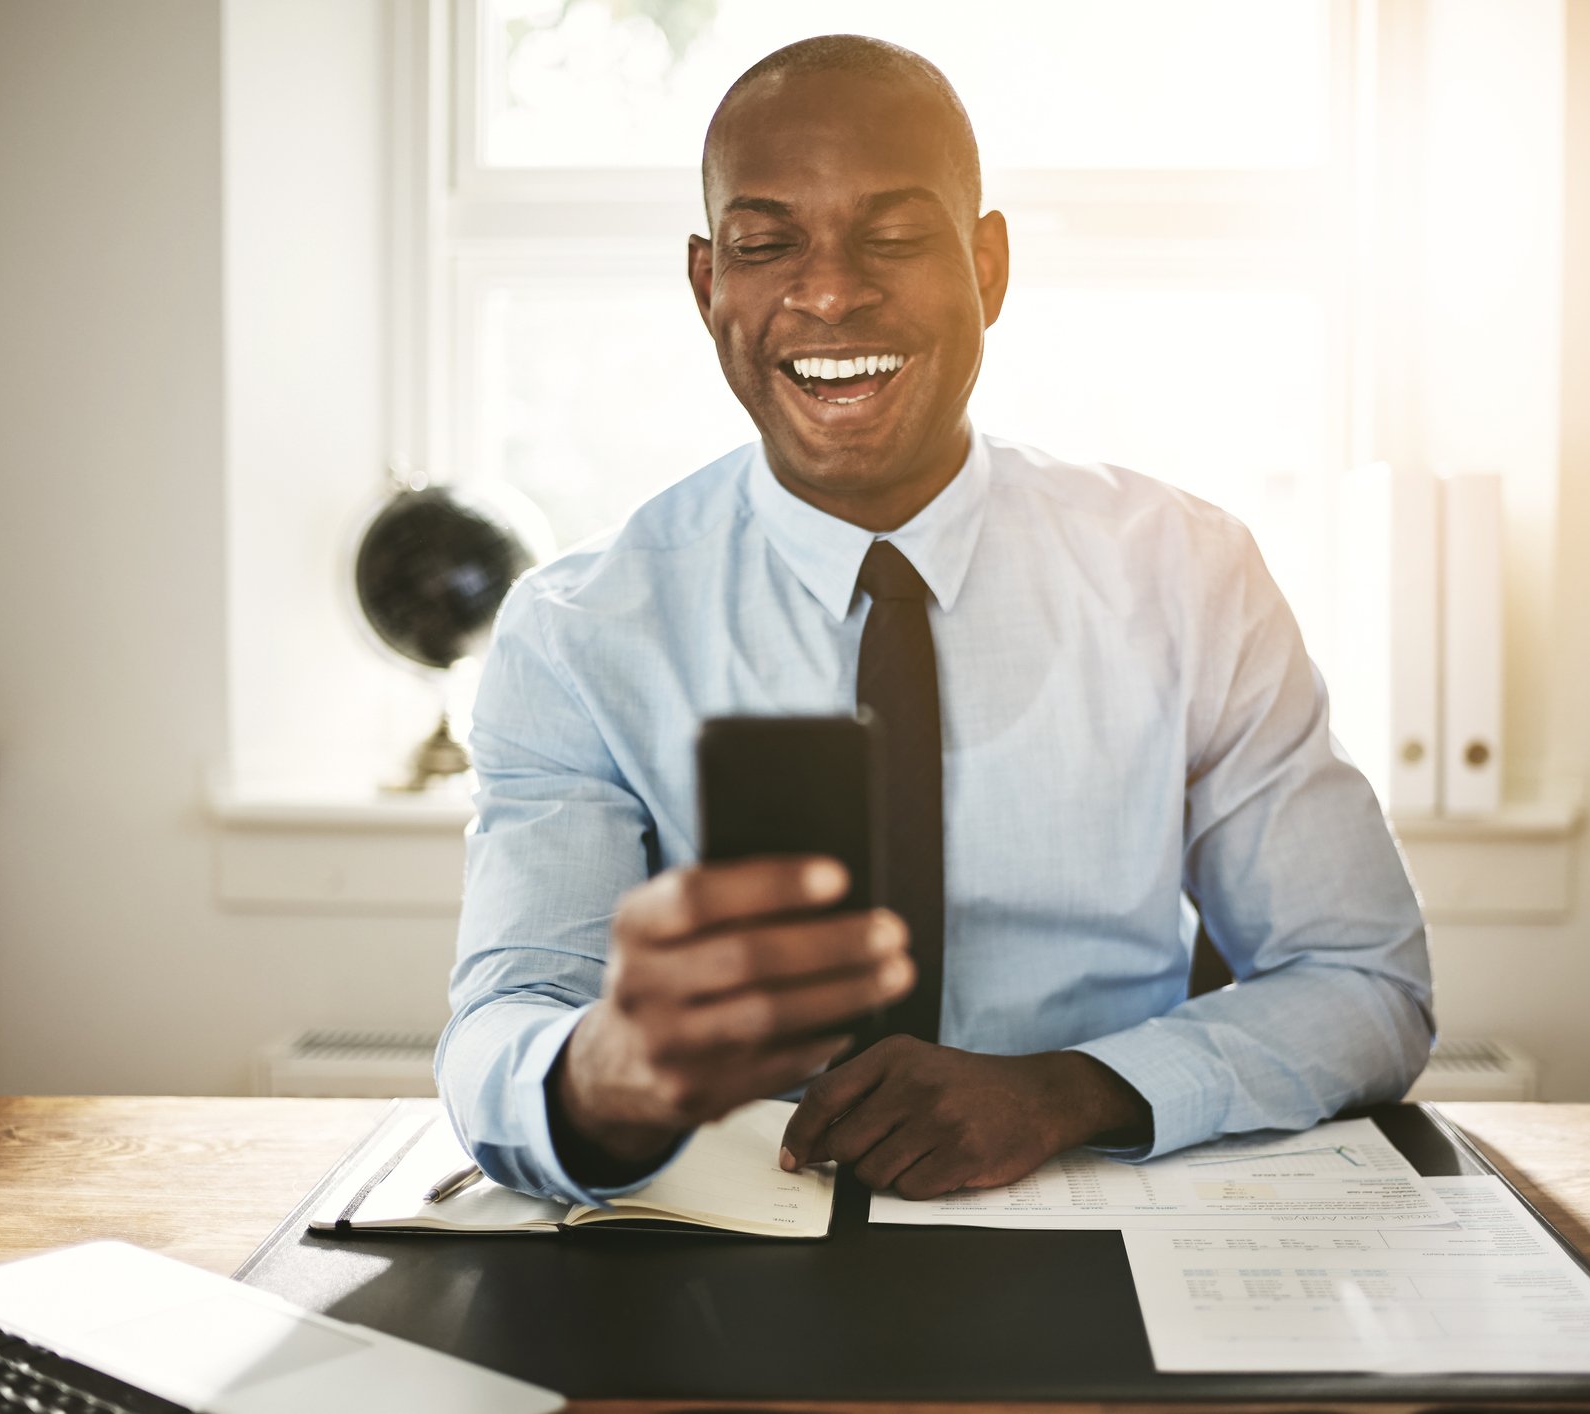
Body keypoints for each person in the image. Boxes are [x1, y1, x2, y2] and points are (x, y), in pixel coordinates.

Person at [436, 34, 1433, 1207]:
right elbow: (500, 1029)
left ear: (988, 265)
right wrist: (608, 1068)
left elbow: (1366, 981)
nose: (827, 291)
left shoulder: (1187, 574)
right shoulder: (577, 630)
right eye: (767, 246)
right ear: (710, 284)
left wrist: (1071, 1089)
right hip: (724, 1241)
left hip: (1097, 1213)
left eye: (893, 237)